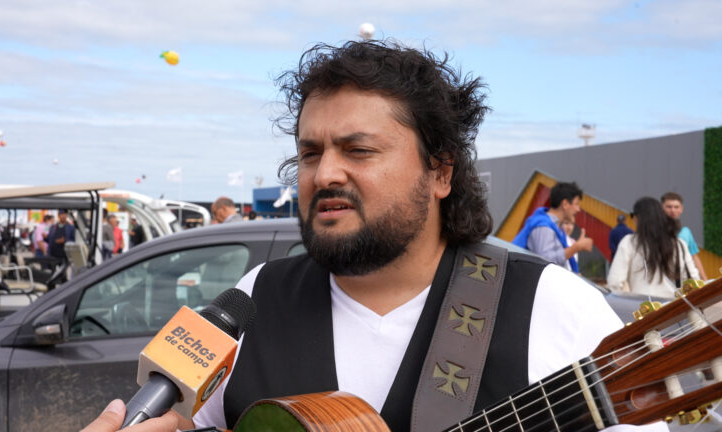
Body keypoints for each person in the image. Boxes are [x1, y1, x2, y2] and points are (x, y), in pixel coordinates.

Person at [183, 40, 664, 432]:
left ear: (440, 173)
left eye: (359, 150)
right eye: (310, 153)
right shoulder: (255, 295)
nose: (324, 172)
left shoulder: (556, 307)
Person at [608, 197, 699, 298]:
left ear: (637, 218)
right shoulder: (678, 244)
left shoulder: (629, 243)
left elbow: (615, 282)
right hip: (673, 308)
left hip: (642, 308)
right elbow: (693, 279)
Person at [512, 181, 593, 271]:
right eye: (576, 204)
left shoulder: (556, 227)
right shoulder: (544, 227)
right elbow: (545, 262)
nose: (578, 209)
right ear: (565, 204)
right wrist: (576, 247)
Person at [661, 192, 708, 280]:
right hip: (663, 280)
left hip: (683, 280)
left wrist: (705, 279)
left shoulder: (685, 231)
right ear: (661, 208)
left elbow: (694, 256)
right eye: (669, 207)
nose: (673, 210)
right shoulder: (655, 230)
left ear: (681, 209)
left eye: (676, 207)